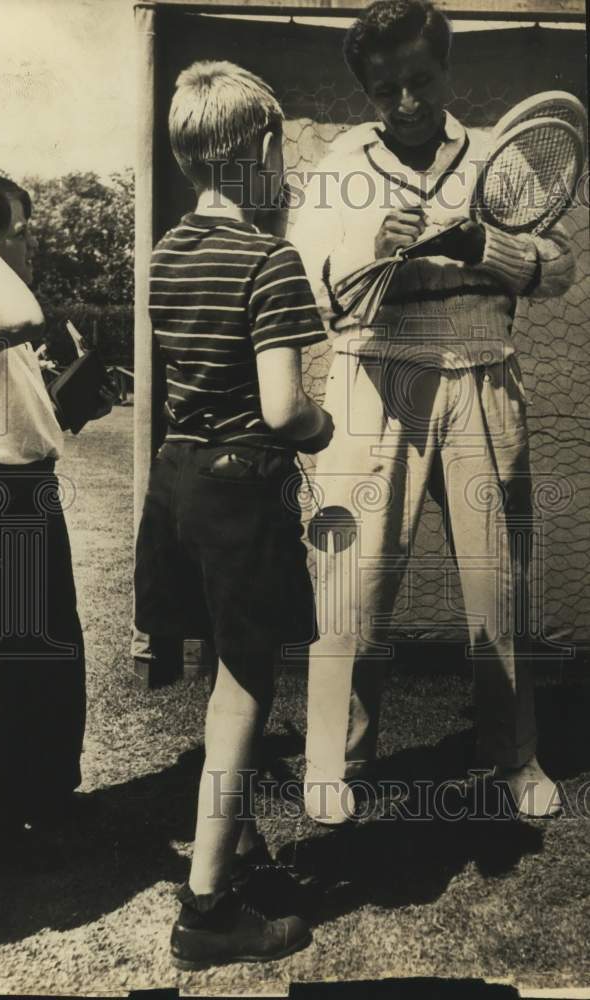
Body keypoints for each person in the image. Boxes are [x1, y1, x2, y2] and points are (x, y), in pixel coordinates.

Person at [291, 0, 575, 822]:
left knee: (500, 583)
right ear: (366, 92)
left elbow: (557, 270)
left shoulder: (495, 155)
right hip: (374, 378)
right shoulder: (341, 163)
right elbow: (309, 281)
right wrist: (372, 245)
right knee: (351, 577)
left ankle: (514, 758)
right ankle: (332, 760)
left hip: (482, 376)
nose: (407, 102)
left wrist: (487, 246)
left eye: (420, 80)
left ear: (446, 70)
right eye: (387, 90)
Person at [134, 61, 333, 969]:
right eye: (281, 147)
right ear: (257, 150)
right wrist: (322, 422)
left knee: (222, 659)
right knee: (247, 682)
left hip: (177, 482)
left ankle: (240, 845)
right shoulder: (270, 257)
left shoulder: (167, 252)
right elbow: (286, 409)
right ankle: (207, 910)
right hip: (239, 489)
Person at [0, 167, 105, 867]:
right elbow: (26, 315)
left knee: (45, 656)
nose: (28, 251)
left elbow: (21, 409)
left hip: (24, 491)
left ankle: (36, 794)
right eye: (20, 235)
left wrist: (71, 406)